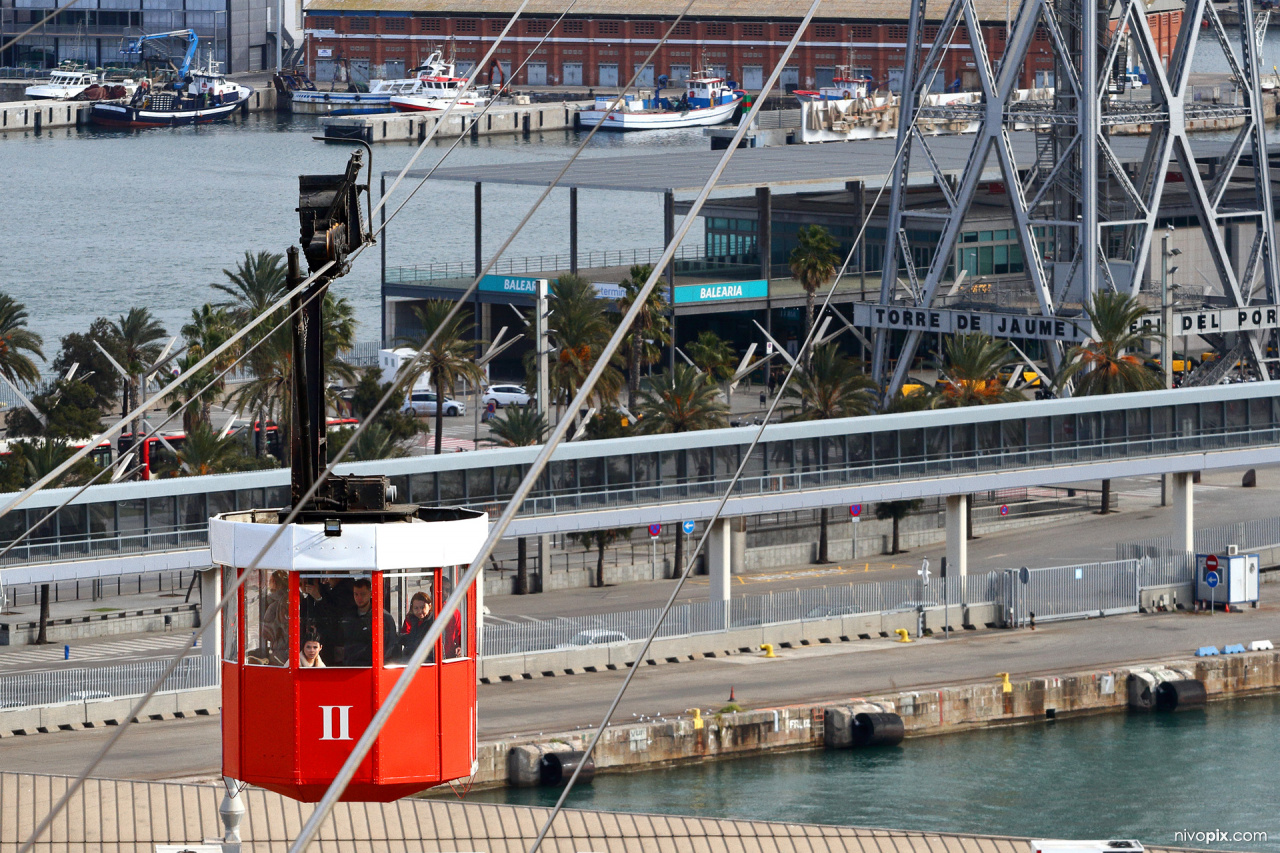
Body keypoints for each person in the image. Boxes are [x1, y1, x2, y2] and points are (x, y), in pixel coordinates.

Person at [340, 577, 398, 666]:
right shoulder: (348, 616)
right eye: (356, 594)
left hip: (372, 665)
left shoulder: (382, 617)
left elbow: (390, 645)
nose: (359, 598)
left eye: (363, 594)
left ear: (371, 594)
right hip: (351, 666)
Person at [398, 591, 434, 662]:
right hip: (411, 658)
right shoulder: (412, 619)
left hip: (428, 661)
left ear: (429, 606)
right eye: (416, 608)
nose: (419, 611)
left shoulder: (434, 621)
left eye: (422, 607)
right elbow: (408, 636)